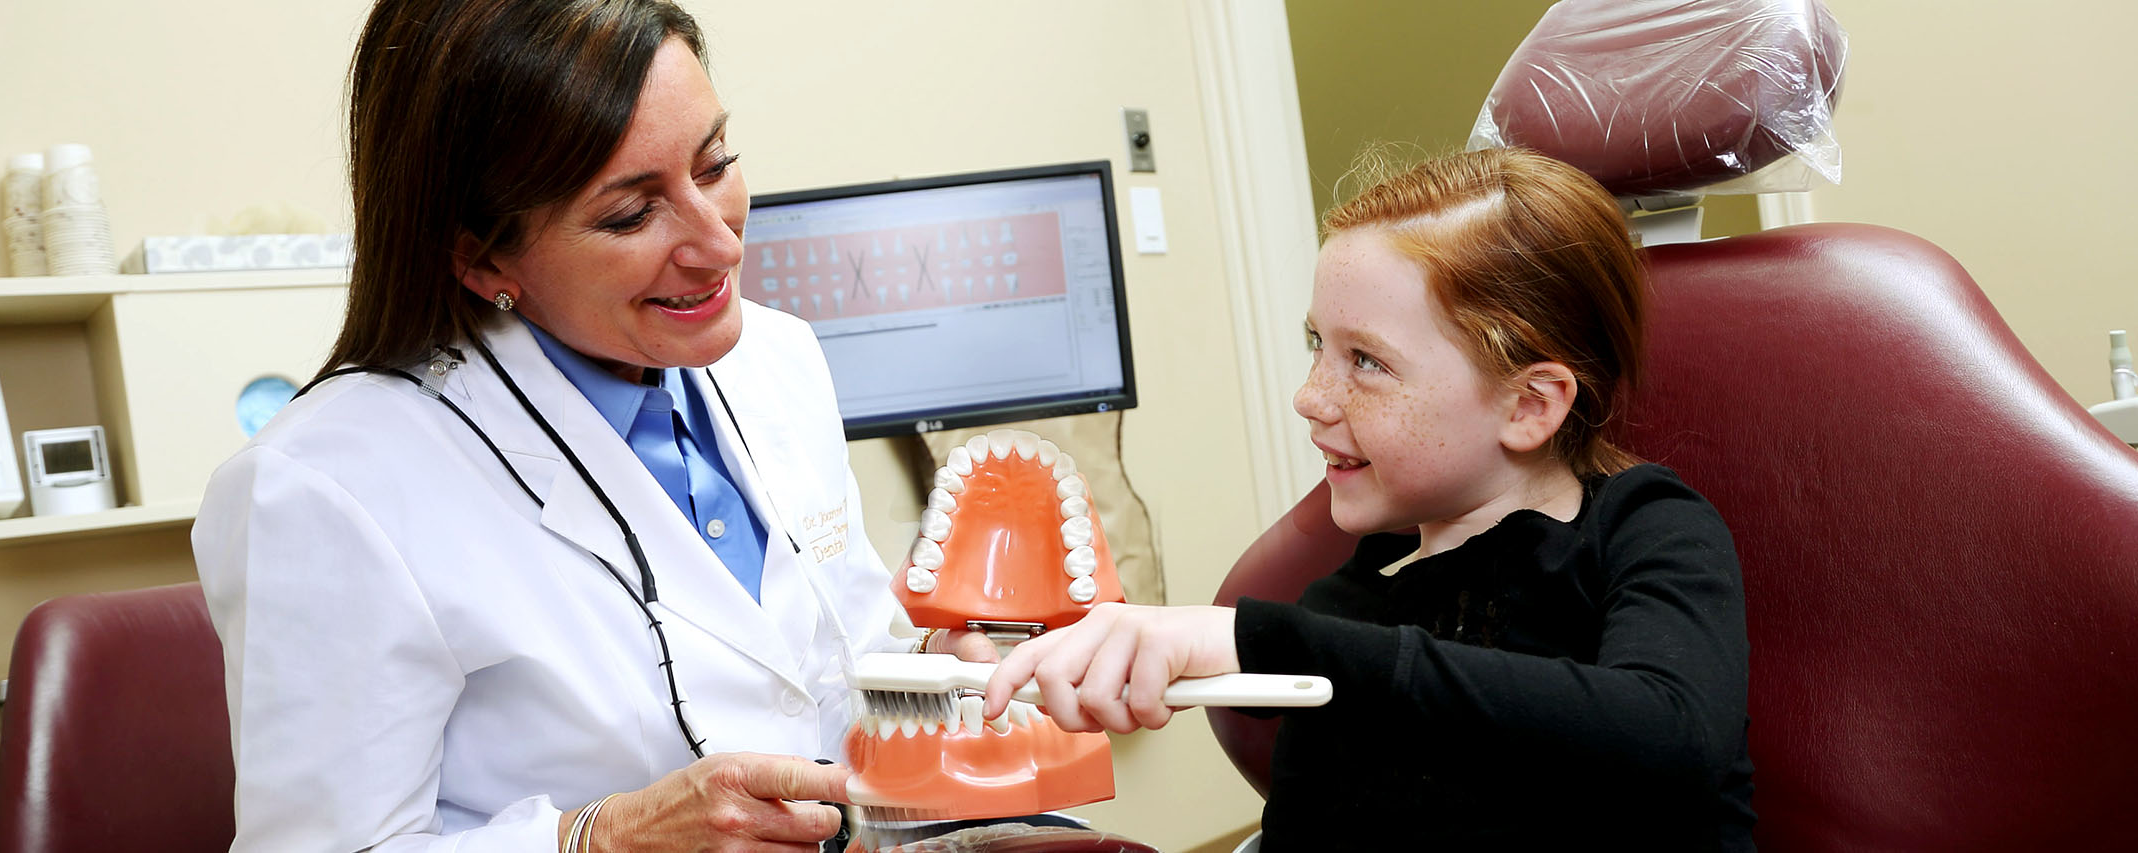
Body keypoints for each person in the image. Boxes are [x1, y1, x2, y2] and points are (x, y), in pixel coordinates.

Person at [192, 1, 991, 850]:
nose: (718, 244)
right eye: (631, 215)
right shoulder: (325, 486)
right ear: (482, 257)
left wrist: (968, 675)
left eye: (715, 162)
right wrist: (599, 838)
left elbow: (848, 659)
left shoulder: (778, 360)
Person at [983, 147, 1755, 850]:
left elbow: (1672, 738)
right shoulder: (1351, 596)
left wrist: (1269, 645)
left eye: (1367, 361)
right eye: (1317, 343)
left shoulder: (1645, 528)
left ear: (1528, 406)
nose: (1310, 396)